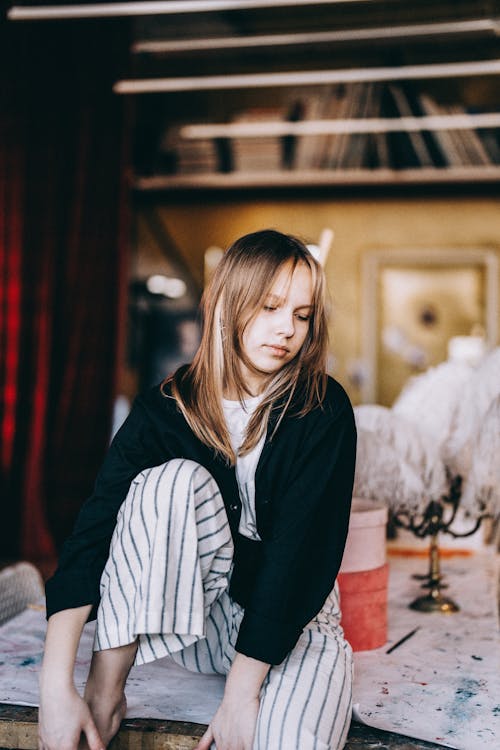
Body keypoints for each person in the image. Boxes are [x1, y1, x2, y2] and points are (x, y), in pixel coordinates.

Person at [39, 229, 357, 750]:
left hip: (298, 626)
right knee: (169, 481)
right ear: (227, 303)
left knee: (289, 742)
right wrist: (55, 687)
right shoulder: (167, 406)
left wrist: (240, 696)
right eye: (271, 306)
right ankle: (105, 689)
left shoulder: (322, 409)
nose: (287, 330)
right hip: (199, 622)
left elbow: (299, 557)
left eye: (301, 315)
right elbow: (94, 531)